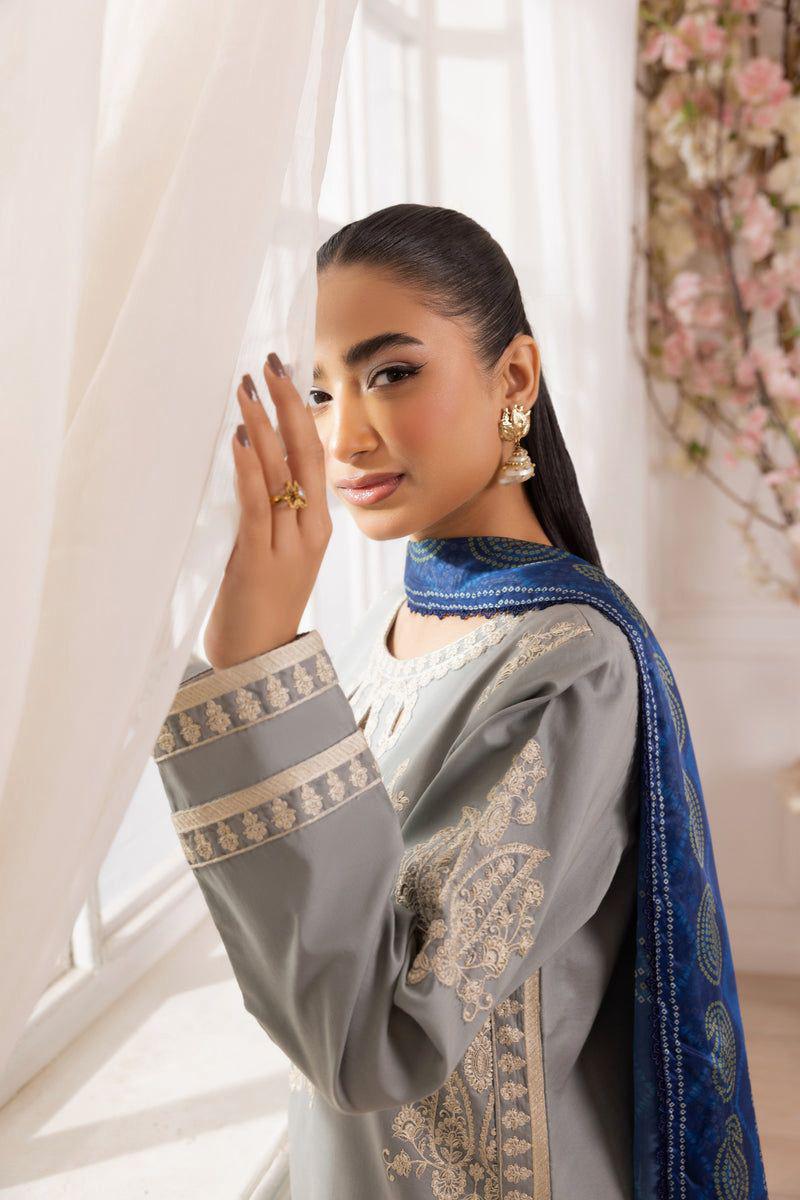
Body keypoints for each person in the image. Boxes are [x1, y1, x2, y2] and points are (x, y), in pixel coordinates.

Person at [152, 205, 767, 1199]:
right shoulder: (378, 634)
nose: (344, 435)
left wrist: (251, 655)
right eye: (319, 392)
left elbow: (377, 1042)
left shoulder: (571, 668)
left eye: (391, 373)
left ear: (513, 377)